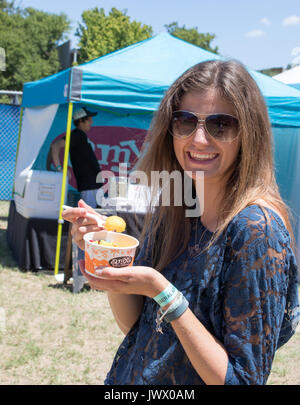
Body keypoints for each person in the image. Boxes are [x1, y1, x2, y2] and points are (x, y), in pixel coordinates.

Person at [62, 59, 299, 384]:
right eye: (185, 121)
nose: (198, 139)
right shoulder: (175, 209)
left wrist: (165, 293)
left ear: (248, 134)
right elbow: (137, 326)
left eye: (221, 125)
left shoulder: (257, 230)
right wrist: (110, 256)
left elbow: (243, 380)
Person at [51, 106, 103, 292]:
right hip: (89, 186)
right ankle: (85, 272)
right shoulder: (77, 135)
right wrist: (58, 169)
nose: (91, 122)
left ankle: (89, 271)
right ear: (80, 121)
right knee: (90, 228)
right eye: (89, 119)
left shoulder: (80, 136)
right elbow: (55, 146)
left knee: (93, 226)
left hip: (92, 186)